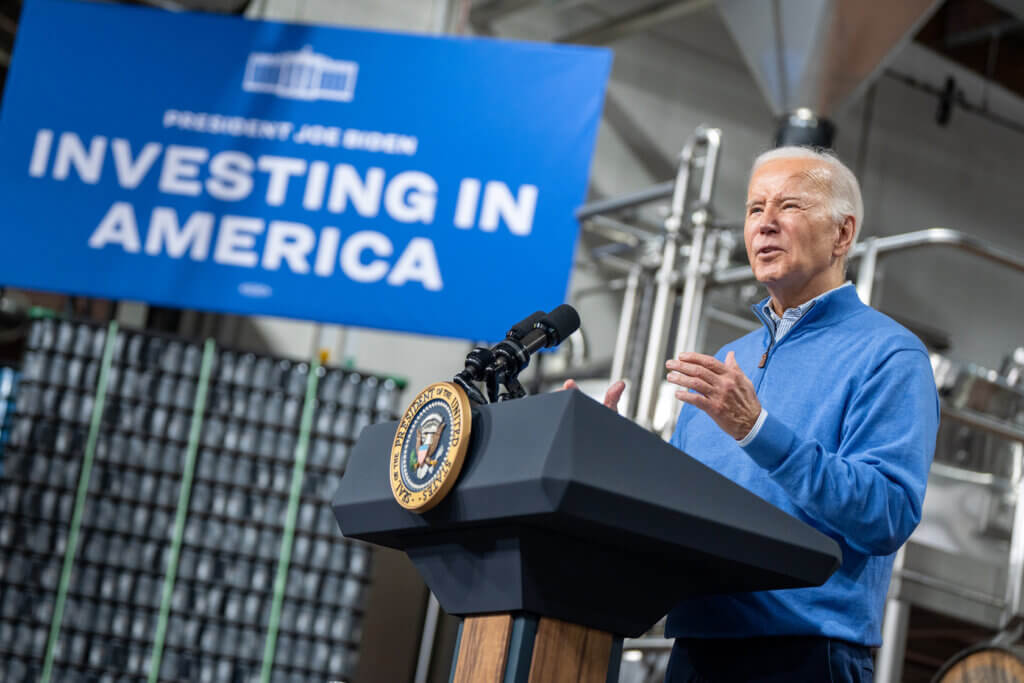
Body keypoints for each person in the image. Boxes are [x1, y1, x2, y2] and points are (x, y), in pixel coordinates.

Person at [569, 146, 938, 682]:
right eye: (753, 208)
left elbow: (886, 514)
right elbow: (683, 507)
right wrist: (615, 458)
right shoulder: (724, 364)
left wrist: (758, 431)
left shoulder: (889, 355)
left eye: (788, 206)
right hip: (697, 649)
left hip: (805, 654)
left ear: (842, 235)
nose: (764, 224)